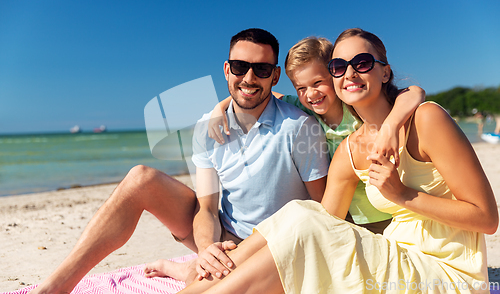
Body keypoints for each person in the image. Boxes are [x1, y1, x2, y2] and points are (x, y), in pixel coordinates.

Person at [178, 28, 498, 294]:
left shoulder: (426, 119)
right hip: (396, 261)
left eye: (361, 62)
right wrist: (221, 107)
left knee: (303, 219)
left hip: (447, 276)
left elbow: (487, 219)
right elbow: (318, 223)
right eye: (338, 67)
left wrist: (402, 195)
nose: (349, 73)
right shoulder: (349, 149)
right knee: (300, 213)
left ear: (385, 71)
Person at [29, 28, 330, 294]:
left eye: (262, 69)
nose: (249, 78)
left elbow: (323, 212)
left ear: (275, 76)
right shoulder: (208, 127)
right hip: (224, 235)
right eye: (240, 67)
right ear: (227, 70)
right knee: (140, 179)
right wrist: (207, 248)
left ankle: (183, 270)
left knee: (202, 285)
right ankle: (57, 286)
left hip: (271, 245)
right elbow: (207, 208)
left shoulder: (299, 128)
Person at [207, 36, 425, 234]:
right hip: (342, 213)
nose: (310, 94)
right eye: (301, 88)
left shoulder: (356, 109)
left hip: (383, 214)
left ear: (334, 73)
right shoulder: (303, 109)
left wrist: (391, 126)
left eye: (318, 83)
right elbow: (255, 92)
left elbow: (414, 92)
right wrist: (220, 107)